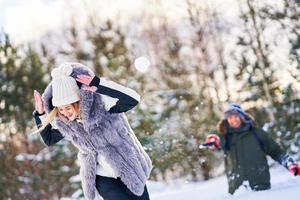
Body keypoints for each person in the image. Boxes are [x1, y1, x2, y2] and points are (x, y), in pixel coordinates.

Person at [33, 62, 152, 200]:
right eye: (60, 109)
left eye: (68, 108)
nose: (64, 113)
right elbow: (49, 139)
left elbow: (133, 99)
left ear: (77, 102)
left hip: (127, 164)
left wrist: (98, 84)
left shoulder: (102, 105)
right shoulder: (67, 123)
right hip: (102, 176)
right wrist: (41, 113)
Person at [203, 103, 300, 194]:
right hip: (237, 191)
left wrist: (289, 163)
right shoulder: (225, 136)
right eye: (230, 118)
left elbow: (276, 152)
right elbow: (217, 143)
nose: (233, 120)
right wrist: (213, 142)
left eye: (236, 116)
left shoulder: (256, 133)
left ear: (241, 116)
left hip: (260, 187)